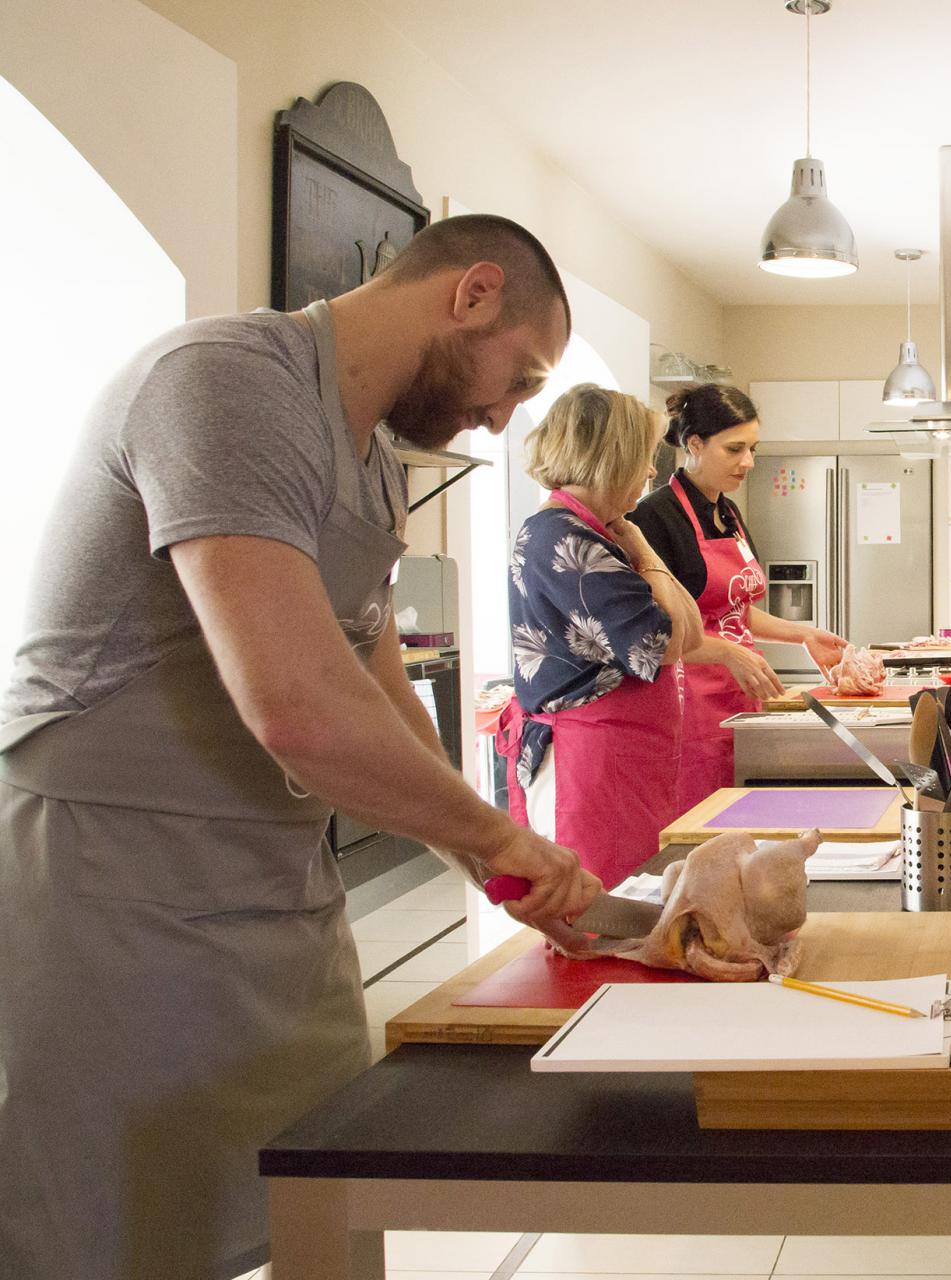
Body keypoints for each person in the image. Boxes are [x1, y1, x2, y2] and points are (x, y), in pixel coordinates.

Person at [0, 214, 603, 1279]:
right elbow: (297, 706)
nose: (504, 421)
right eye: (520, 378)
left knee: (331, 1191)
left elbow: (373, 692)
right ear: (469, 294)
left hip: (269, 884)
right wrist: (508, 834)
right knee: (112, 1229)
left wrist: (491, 861)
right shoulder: (227, 382)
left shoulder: (373, 465)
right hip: (108, 881)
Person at [500, 384, 702, 887]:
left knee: (632, 901)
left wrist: (638, 545)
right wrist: (645, 553)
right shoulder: (563, 537)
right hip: (589, 767)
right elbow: (668, 643)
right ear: (612, 457)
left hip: (616, 762)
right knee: (600, 908)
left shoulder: (594, 531)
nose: (651, 472)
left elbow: (691, 630)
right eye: (642, 457)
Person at [629, 383, 847, 809]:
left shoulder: (726, 512)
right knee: (700, 826)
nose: (748, 462)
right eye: (734, 449)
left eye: (752, 448)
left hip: (741, 699)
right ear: (694, 444)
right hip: (687, 707)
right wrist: (729, 654)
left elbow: (734, 611)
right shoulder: (655, 518)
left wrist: (803, 635)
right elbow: (655, 635)